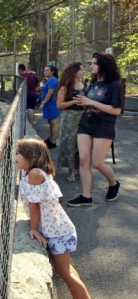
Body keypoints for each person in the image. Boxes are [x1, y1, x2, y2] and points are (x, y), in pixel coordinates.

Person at [16, 137, 114, 299]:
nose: (15, 156)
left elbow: (34, 205)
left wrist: (34, 229)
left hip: (57, 233)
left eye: (18, 153)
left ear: (31, 156)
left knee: (65, 272)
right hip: (59, 230)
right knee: (66, 270)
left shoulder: (35, 174)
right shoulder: (33, 172)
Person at [67, 52, 123, 207]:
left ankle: (113, 184)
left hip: (103, 126)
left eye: (94, 63)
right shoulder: (94, 83)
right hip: (86, 123)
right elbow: (91, 103)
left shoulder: (114, 85)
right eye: (91, 63)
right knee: (84, 159)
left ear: (103, 65)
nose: (90, 66)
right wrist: (83, 102)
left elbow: (116, 110)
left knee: (97, 163)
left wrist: (91, 101)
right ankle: (86, 196)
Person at [56, 62, 86, 182]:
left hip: (83, 117)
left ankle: (80, 168)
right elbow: (59, 105)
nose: (83, 72)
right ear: (74, 72)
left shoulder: (84, 85)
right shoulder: (65, 87)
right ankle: (71, 171)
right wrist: (74, 102)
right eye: (81, 70)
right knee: (70, 144)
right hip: (69, 118)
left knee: (82, 145)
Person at [40, 65, 60, 148]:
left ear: (52, 72)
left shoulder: (53, 80)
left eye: (47, 70)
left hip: (51, 104)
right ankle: (50, 139)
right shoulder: (49, 80)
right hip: (49, 104)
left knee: (53, 123)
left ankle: (53, 141)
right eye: (45, 70)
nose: (45, 72)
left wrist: (43, 103)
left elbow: (50, 93)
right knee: (51, 122)